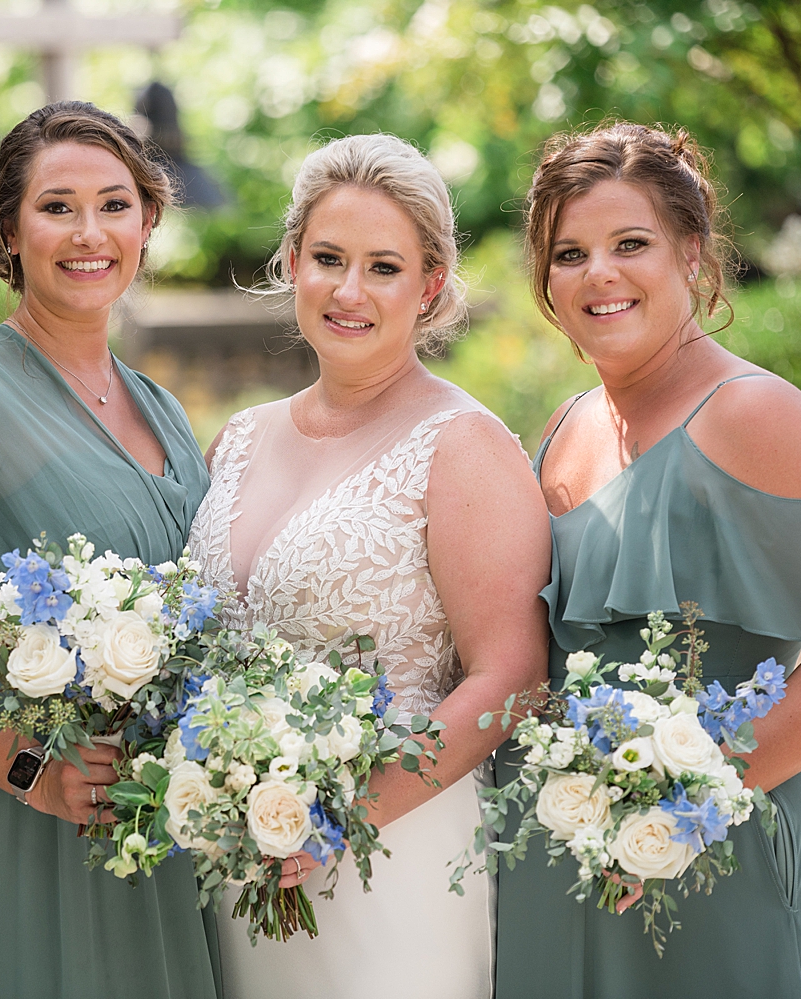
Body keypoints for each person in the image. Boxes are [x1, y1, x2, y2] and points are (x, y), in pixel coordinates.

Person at [495, 121, 801, 998]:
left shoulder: (755, 416)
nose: (598, 273)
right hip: (581, 853)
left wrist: (673, 811)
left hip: (730, 850)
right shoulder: (566, 426)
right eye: (569, 253)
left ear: (691, 252)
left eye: (629, 243)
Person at [0, 102, 221, 999]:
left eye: (115, 204)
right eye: (57, 206)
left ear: (148, 222)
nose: (89, 232)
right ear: (9, 232)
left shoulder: (159, 408)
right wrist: (32, 769)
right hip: (14, 822)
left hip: (139, 821)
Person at [187, 132, 551, 998]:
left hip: (392, 862)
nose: (349, 291)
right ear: (291, 261)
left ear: (429, 285)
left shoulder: (463, 447)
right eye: (328, 258)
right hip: (236, 864)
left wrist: (337, 818)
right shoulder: (237, 438)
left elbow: (511, 677)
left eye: (383, 266)